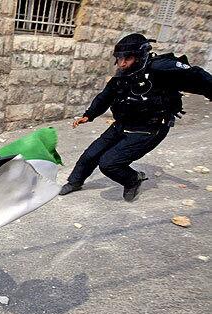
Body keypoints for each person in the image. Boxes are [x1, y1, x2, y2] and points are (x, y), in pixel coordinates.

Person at [60, 33, 212, 201]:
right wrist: (89, 115)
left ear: (139, 57)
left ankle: (133, 180)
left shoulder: (160, 70)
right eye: (119, 58)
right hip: (123, 124)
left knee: (109, 163)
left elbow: (197, 76)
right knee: (91, 154)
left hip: (149, 129)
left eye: (128, 58)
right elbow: (105, 96)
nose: (122, 63)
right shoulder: (122, 75)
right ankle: (75, 182)